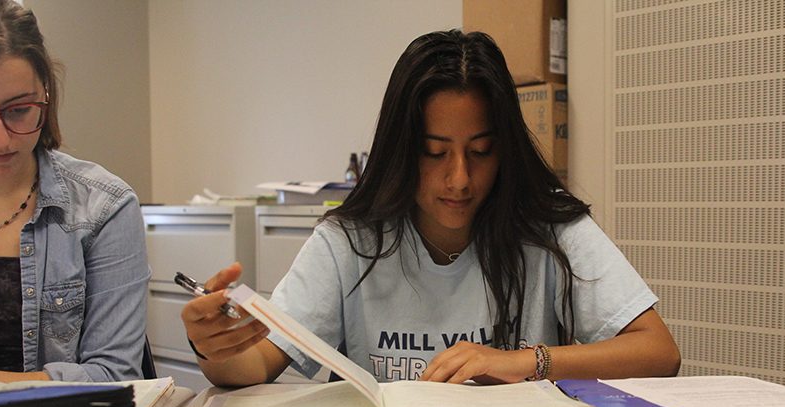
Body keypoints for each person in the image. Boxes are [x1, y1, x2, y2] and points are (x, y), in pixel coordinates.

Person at [183, 29, 680, 387]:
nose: (460, 179)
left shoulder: (545, 224)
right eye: (434, 152)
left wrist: (525, 362)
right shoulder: (352, 239)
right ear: (401, 149)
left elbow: (658, 353)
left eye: (481, 151)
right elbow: (254, 366)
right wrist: (214, 346)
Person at [0, 0, 149, 382]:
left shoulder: (104, 206)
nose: (1, 141)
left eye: (18, 110)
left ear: (45, 97)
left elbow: (113, 374)